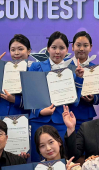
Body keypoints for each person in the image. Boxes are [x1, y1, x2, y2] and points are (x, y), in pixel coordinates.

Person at [27, 31, 84, 161]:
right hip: (39, 121)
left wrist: (79, 78)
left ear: (67, 50)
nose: (57, 51)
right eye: (54, 47)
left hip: (61, 122)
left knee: (61, 159)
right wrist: (40, 111)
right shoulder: (35, 67)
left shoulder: (70, 71)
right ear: (48, 49)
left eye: (61, 48)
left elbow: (75, 102)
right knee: (38, 161)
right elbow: (29, 95)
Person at [0, 33, 31, 116]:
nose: (16, 53)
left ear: (29, 51)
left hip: (20, 116)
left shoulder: (33, 70)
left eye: (20, 49)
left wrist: (15, 100)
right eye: (13, 50)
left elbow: (36, 101)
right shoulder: (2, 68)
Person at [68, 31, 98, 128]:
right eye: (78, 45)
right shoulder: (64, 65)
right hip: (65, 115)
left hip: (85, 116)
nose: (81, 49)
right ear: (72, 47)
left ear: (91, 47)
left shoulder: (95, 69)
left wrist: (93, 98)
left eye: (85, 45)